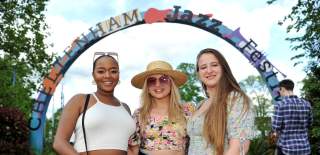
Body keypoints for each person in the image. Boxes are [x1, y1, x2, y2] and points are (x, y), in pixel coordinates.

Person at [53, 52, 136, 155]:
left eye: (113, 71)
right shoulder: (80, 100)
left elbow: (130, 147)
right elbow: (59, 143)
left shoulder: (125, 108)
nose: (107, 76)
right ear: (93, 75)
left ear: (118, 74)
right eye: (101, 71)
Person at [187, 48, 256, 155]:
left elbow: (238, 149)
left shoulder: (235, 99)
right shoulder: (201, 104)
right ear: (198, 73)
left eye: (214, 65)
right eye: (203, 67)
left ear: (224, 68)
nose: (209, 70)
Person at [128, 60, 195, 155]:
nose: (158, 84)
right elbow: (133, 150)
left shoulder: (187, 110)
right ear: (147, 87)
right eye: (151, 81)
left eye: (163, 79)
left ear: (171, 84)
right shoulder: (139, 114)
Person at [272, 79, 313, 155]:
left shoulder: (280, 105)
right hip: (305, 148)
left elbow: (276, 127)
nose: (279, 93)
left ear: (283, 89)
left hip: (286, 149)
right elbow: (310, 124)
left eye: (279, 90)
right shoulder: (307, 104)